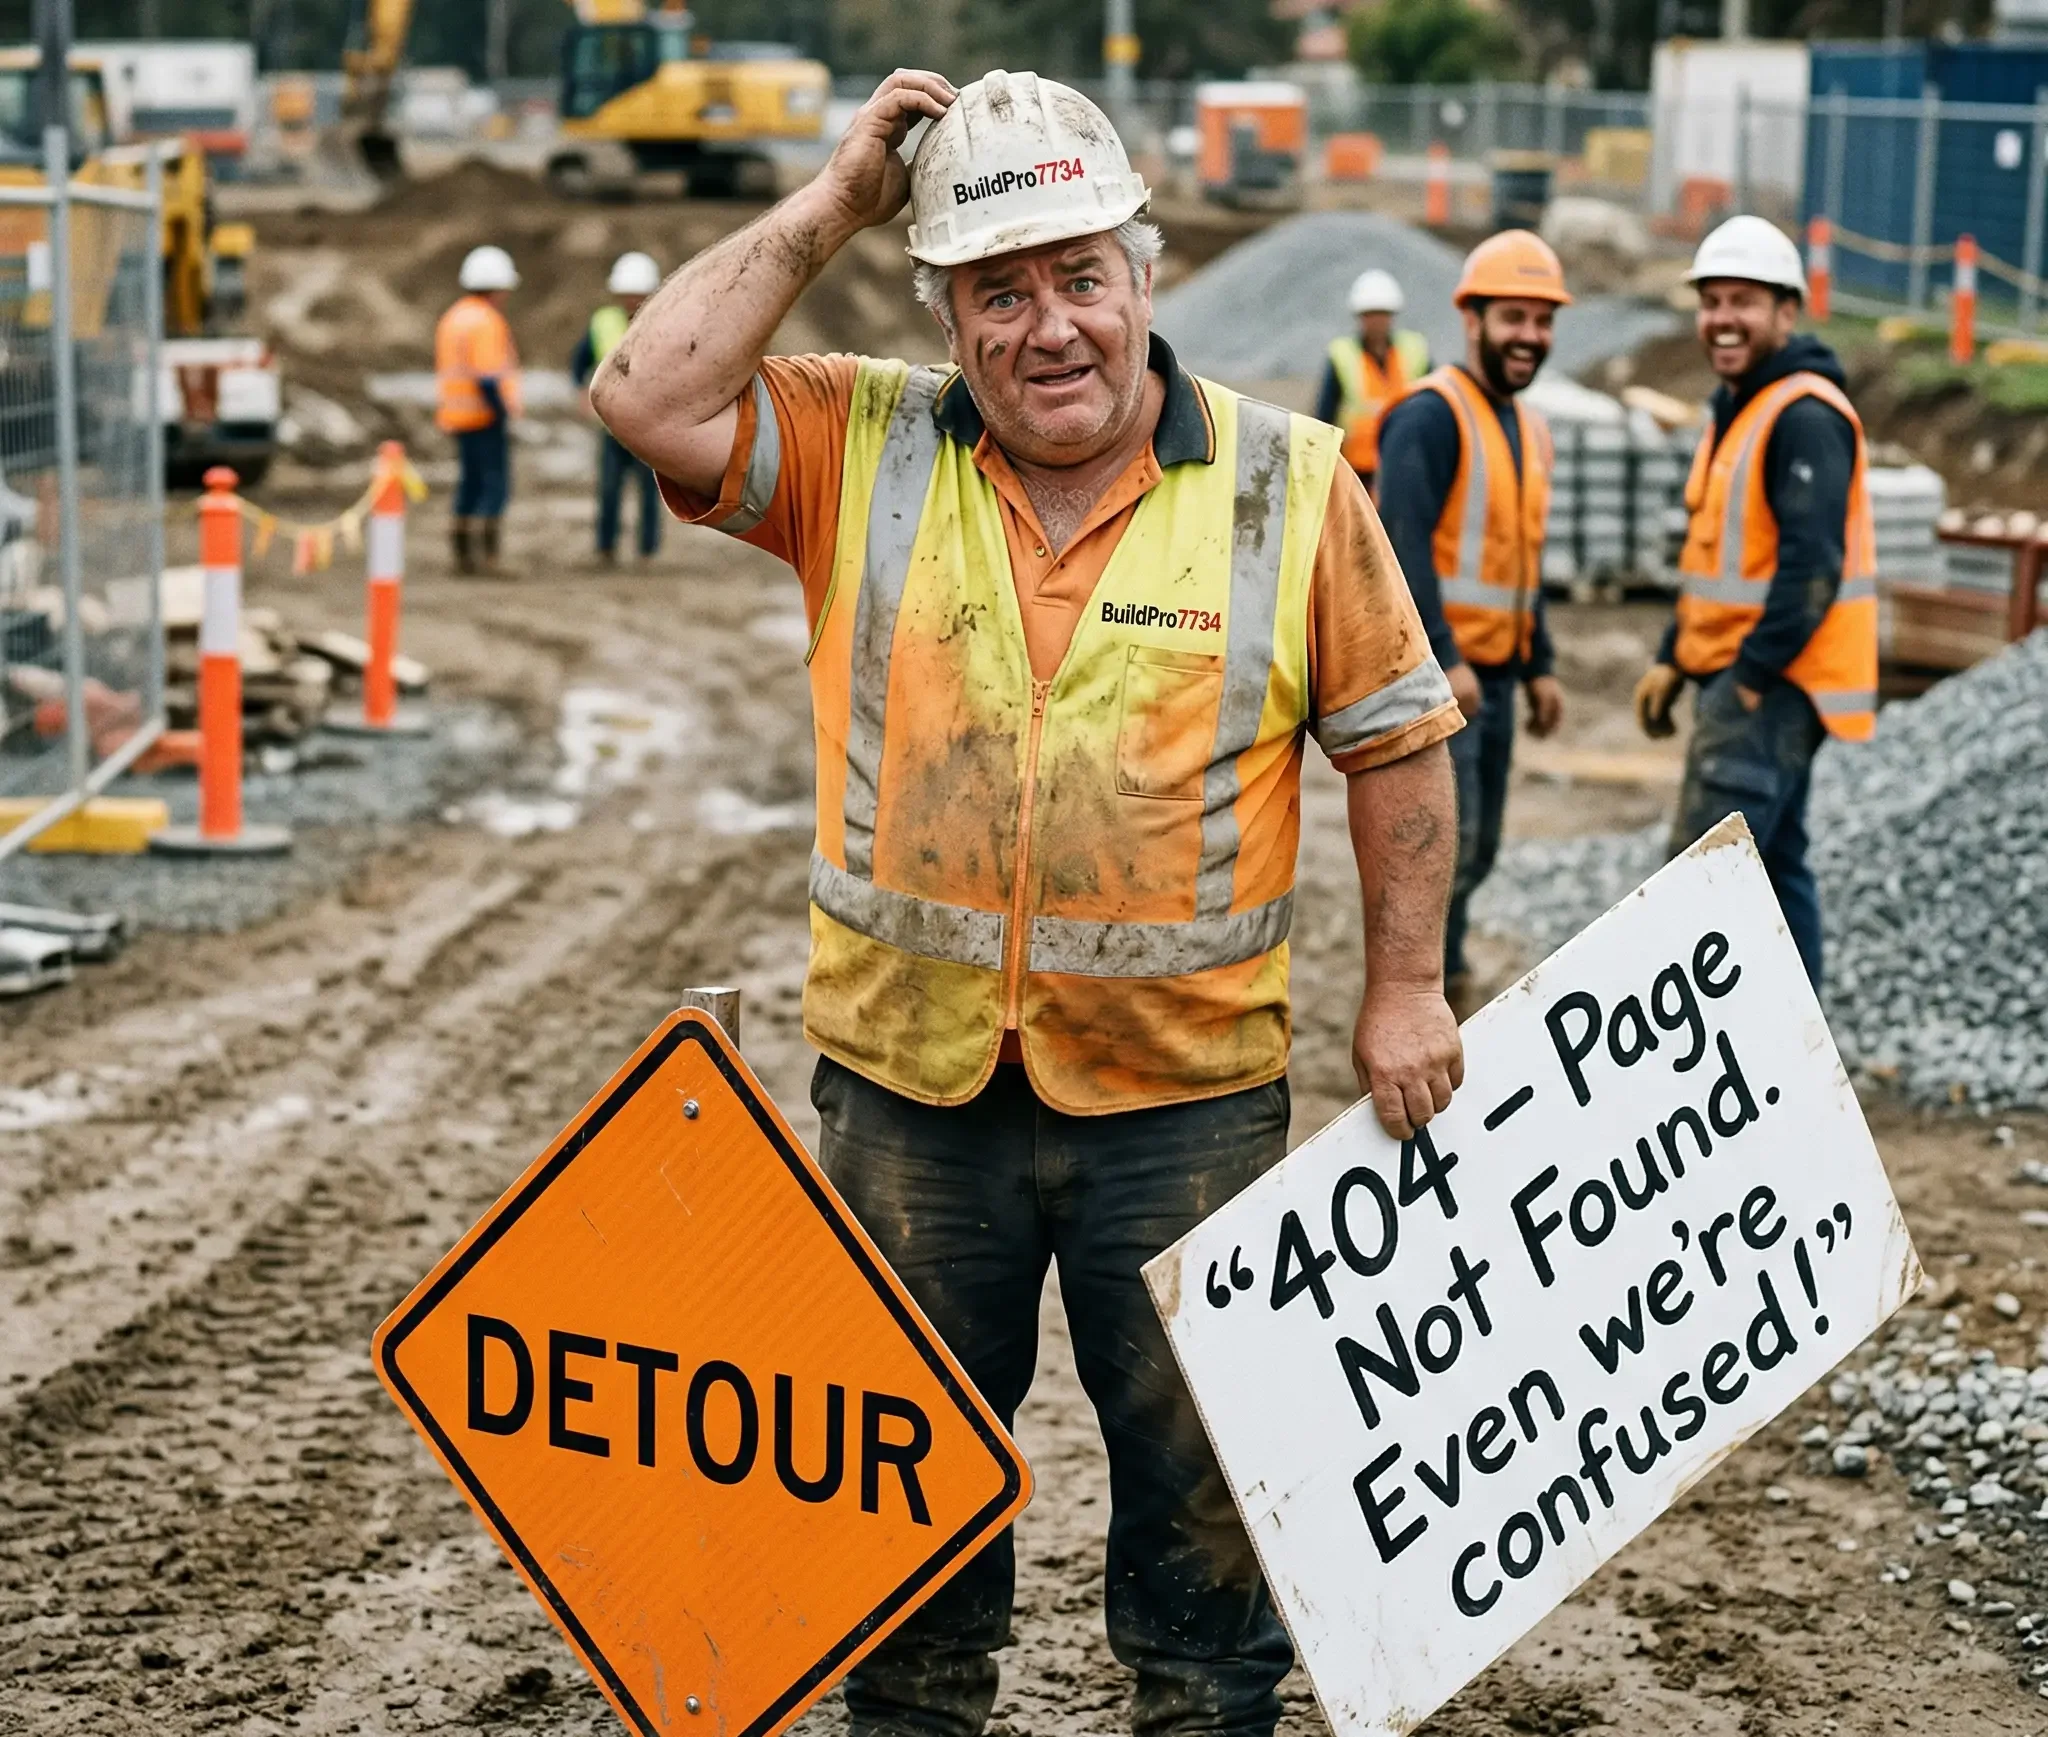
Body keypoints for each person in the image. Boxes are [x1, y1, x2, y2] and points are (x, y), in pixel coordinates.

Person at [594, 67, 1465, 1737]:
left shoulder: (1290, 484)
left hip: (1182, 1100)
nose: (1046, 326)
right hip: (910, 1098)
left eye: (1080, 274)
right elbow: (644, 396)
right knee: (894, 1479)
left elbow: (1395, 745)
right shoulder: (864, 442)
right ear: (948, 310)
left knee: (1205, 1487)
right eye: (998, 289)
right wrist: (837, 197)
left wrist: (1405, 986)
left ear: (1144, 276)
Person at [1633, 215, 1876, 989]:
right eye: (1711, 301)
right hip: (1750, 678)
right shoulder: (1739, 407)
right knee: (1779, 862)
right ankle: (1806, 1056)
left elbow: (1813, 569)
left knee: (1695, 889)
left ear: (1786, 312)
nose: (1723, 318)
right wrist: (1675, 656)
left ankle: (1716, 1075)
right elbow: (1717, 555)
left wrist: (1743, 682)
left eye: (1744, 300)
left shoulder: (1802, 414)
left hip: (1770, 686)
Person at [1375, 230, 1569, 1003]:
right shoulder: (1430, 416)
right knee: (1444, 849)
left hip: (1495, 677)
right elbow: (1402, 549)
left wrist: (1542, 663)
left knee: (1477, 848)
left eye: (1542, 320)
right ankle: (1432, 981)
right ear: (1473, 320)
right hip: (1446, 681)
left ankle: (1445, 971)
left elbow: (1522, 558)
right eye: (1514, 317)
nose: (1530, 336)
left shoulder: (1529, 427)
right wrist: (1447, 657)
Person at [435, 244, 522, 576]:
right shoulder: (486, 321)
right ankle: (488, 559)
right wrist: (503, 414)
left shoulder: (453, 317)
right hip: (485, 418)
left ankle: (462, 555)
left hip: (457, 418)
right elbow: (487, 378)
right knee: (493, 485)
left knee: (469, 484)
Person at [573, 250, 666, 563]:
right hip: (611, 426)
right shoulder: (603, 322)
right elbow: (579, 362)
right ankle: (605, 547)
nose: (632, 301)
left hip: (648, 427)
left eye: (638, 295)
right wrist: (580, 394)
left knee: (650, 492)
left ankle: (647, 551)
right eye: (628, 295)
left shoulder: (663, 323)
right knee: (609, 490)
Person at [1313, 267, 1429, 495]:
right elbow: (1325, 415)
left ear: (1392, 316)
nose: (1376, 321)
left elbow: (1432, 403)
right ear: (1360, 317)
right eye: (1370, 315)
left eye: (1382, 314)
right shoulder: (1342, 355)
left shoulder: (1414, 350)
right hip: (1358, 468)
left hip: (1404, 460)